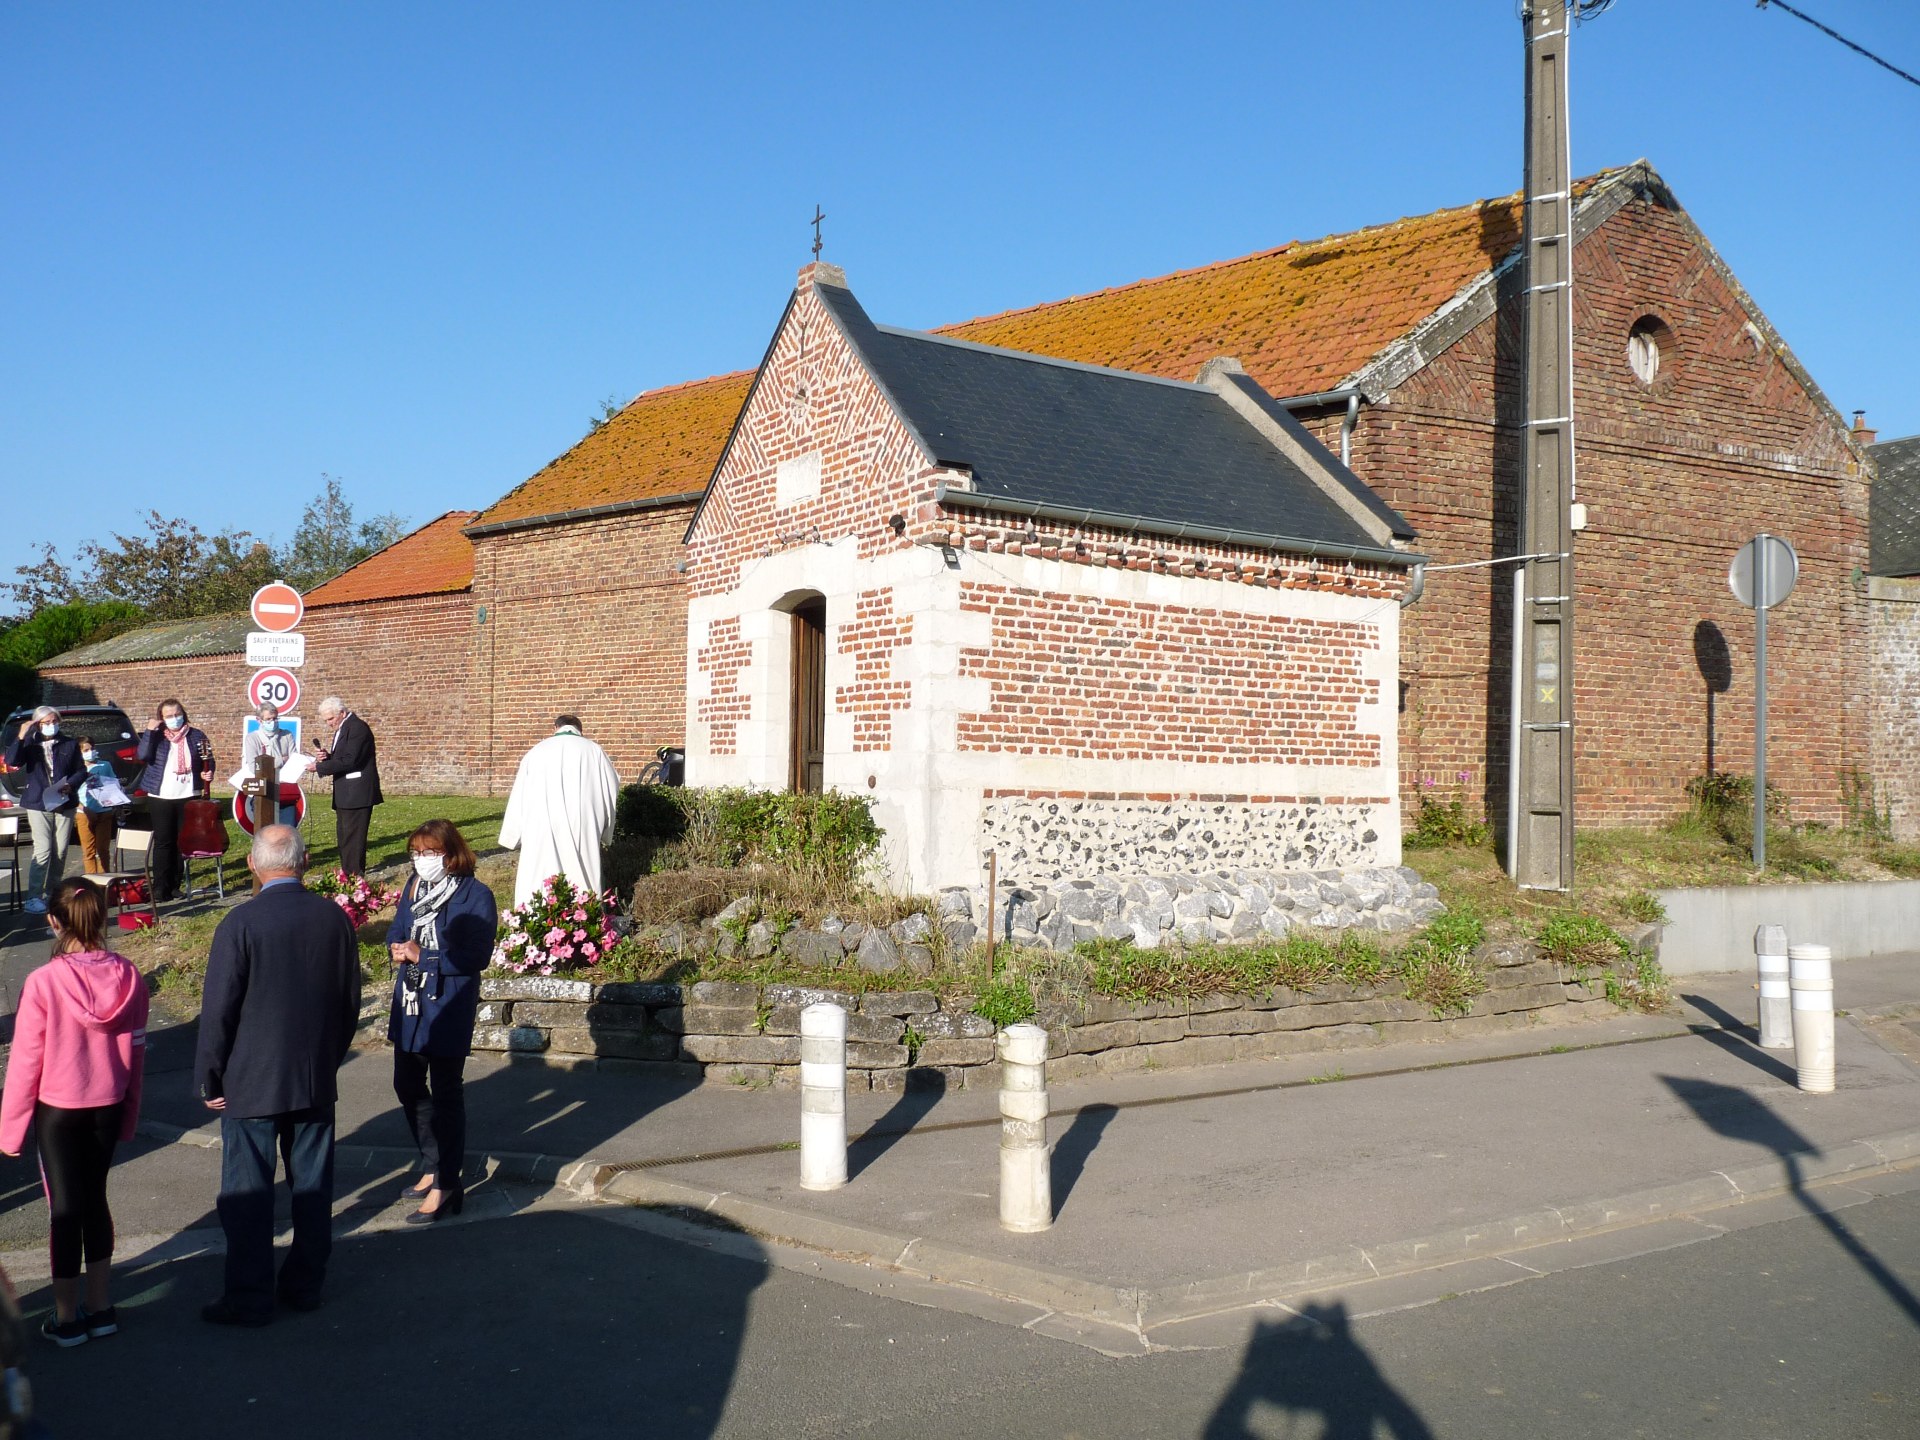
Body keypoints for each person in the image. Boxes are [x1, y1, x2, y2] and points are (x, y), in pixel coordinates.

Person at [193, 826, 360, 1325]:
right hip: (312, 1077)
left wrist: (210, 1076)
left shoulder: (241, 923)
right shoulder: (333, 917)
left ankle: (249, 1297)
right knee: (312, 1188)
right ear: (304, 861)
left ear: (252, 864)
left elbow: (219, 1008)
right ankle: (305, 1284)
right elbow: (348, 1001)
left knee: (248, 1194)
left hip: (250, 1080)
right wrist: (329, 1058)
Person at [0, 879, 148, 1346]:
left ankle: (65, 1317)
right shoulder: (129, 976)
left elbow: (26, 1061)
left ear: (53, 922)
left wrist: (10, 1132)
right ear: (102, 919)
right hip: (108, 1103)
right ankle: (101, 1307)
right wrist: (129, 1114)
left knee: (64, 1210)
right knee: (95, 1201)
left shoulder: (43, 981)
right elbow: (137, 1055)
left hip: (59, 1108)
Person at [386, 820, 497, 1224]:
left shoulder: (475, 895)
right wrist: (398, 947)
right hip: (411, 1003)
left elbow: (475, 957)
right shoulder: (414, 888)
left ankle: (447, 1183)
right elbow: (398, 929)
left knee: (447, 1091)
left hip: (447, 1004)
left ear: (451, 854)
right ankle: (431, 1162)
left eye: (429, 853)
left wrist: (426, 958)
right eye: (415, 853)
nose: (421, 860)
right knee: (407, 1084)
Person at [498, 714, 621, 908]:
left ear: (555, 727)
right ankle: (583, 925)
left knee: (540, 873)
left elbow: (520, 792)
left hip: (541, 823)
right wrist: (606, 829)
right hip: (583, 823)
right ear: (581, 729)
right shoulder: (594, 751)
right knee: (583, 874)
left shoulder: (536, 751)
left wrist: (514, 833)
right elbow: (611, 788)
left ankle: (535, 921)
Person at [3, 706, 88, 913]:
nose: (51, 725)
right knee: (43, 850)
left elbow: (81, 770)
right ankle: (33, 896)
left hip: (63, 800)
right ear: (38, 724)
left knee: (60, 850)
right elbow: (12, 760)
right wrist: (22, 735)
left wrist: (71, 784)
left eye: (54, 721)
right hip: (38, 802)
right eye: (46, 722)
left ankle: (53, 892)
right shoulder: (31, 743)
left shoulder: (68, 743)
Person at [134, 698, 214, 904]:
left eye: (177, 714)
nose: (174, 719)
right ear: (161, 718)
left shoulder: (196, 735)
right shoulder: (157, 737)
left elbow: (208, 759)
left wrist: (208, 772)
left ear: (183, 714)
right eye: (168, 716)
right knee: (163, 841)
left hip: (188, 793)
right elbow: (142, 755)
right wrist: (150, 731)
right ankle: (160, 887)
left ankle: (175, 885)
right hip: (161, 795)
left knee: (181, 841)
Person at [311, 697, 381, 876]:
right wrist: (328, 757)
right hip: (346, 793)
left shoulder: (357, 728)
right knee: (344, 838)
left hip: (357, 793)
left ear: (342, 713)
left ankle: (355, 879)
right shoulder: (343, 728)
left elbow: (351, 761)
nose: (329, 723)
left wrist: (319, 767)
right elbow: (343, 757)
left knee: (354, 839)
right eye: (326, 720)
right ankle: (347, 875)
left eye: (330, 719)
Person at [239, 702, 300, 828]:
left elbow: (294, 761)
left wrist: (273, 762)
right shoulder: (252, 738)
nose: (272, 722)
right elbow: (254, 766)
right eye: (268, 719)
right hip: (263, 790)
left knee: (287, 831)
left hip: (284, 789)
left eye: (275, 718)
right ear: (259, 720)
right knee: (264, 831)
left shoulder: (287, 735)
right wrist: (282, 760)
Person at [73, 738, 123, 875]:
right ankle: (91, 879)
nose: (90, 752)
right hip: (84, 812)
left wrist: (115, 801)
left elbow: (113, 784)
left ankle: (104, 878)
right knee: (88, 850)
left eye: (92, 749)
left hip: (104, 811)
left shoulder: (105, 765)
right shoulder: (75, 770)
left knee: (102, 849)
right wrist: (83, 808)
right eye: (86, 750)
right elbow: (71, 793)